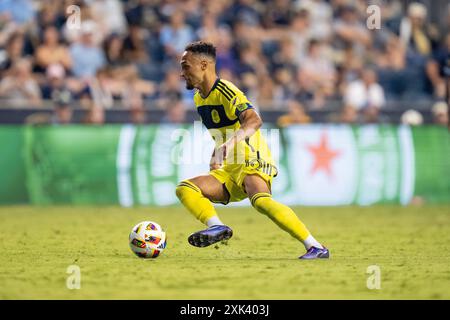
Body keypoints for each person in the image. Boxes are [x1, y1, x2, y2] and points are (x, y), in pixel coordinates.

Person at [176, 41, 329, 259]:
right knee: (185, 188)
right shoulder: (199, 98)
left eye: (185, 66)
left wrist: (229, 145)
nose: (182, 73)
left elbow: (254, 120)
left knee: (261, 201)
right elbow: (223, 130)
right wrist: (217, 152)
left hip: (251, 158)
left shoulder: (227, 91)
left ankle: (315, 246)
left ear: (203, 65)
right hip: (230, 168)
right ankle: (217, 227)